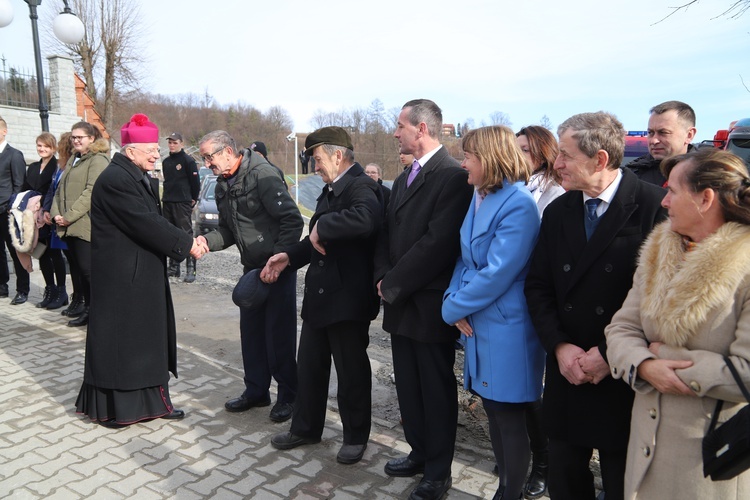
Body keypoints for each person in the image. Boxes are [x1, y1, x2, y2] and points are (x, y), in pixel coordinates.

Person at [524, 112, 667, 500]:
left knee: (624, 484)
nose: (556, 164)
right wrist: (559, 346)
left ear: (600, 159)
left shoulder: (654, 206)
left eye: (566, 155)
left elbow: (661, 301)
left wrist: (608, 355)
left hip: (622, 376)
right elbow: (538, 286)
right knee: (566, 480)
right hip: (567, 369)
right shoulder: (559, 210)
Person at [604, 148, 750, 499]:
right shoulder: (659, 250)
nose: (664, 201)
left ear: (706, 198)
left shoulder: (744, 264)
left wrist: (664, 357)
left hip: (707, 459)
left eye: (672, 191)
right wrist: (644, 364)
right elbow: (621, 328)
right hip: (643, 447)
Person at [375, 99, 473, 500]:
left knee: (434, 389)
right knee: (408, 386)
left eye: (400, 126)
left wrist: (393, 283)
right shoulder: (404, 178)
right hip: (400, 300)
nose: (396, 133)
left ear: (422, 129)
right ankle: (418, 451)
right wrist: (381, 277)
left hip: (429, 303)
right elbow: (386, 233)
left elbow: (438, 244)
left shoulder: (451, 177)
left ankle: (438, 470)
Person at [266, 126, 382, 465]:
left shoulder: (362, 186)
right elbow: (316, 242)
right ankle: (305, 428)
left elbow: (366, 219)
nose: (315, 167)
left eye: (317, 159)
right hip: (321, 296)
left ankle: (355, 437)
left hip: (348, 300)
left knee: (351, 374)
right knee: (311, 368)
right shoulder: (332, 188)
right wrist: (289, 256)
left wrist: (322, 226)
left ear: (337, 155)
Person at [442, 126, 544, 500]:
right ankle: (505, 488)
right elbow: (465, 259)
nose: (463, 162)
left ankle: (510, 493)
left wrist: (452, 306)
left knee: (508, 414)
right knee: (493, 411)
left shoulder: (518, 203)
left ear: (489, 158)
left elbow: (498, 272)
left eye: (468, 155)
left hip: (506, 325)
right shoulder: (479, 194)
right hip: (479, 319)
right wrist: (453, 297)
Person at [75, 113, 198, 428]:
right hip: (123, 277)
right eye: (150, 150)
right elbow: (146, 223)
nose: (157, 154)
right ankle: (118, 410)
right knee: (123, 344)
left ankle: (153, 403)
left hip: (137, 273)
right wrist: (186, 244)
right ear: (130, 152)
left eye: (156, 149)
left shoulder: (132, 173)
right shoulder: (117, 179)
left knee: (145, 341)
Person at [195, 130, 303, 423]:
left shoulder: (262, 175)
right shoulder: (221, 185)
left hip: (277, 268)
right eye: (204, 158)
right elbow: (229, 231)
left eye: (209, 157)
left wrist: (278, 259)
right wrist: (208, 242)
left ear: (228, 152)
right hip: (252, 272)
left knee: (278, 337)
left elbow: (292, 220)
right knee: (251, 335)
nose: (206, 163)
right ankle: (256, 391)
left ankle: (288, 397)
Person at [515, 124, 564, 499]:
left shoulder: (553, 194)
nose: (520, 156)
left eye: (527, 150)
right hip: (515, 303)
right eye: (517, 149)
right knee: (517, 386)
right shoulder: (518, 186)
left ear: (544, 154)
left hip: (540, 302)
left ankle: (543, 464)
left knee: (536, 391)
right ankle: (519, 453)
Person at [51, 122, 109, 327]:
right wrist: (56, 213)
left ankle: (100, 314)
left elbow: (91, 192)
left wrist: (68, 216)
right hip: (68, 224)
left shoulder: (98, 160)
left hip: (85, 225)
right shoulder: (74, 159)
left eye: (80, 137)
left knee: (88, 271)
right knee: (79, 269)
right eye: (74, 137)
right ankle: (87, 309)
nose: (75, 140)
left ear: (91, 138)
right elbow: (60, 190)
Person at [22, 133, 59, 308]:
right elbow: (25, 189)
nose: (42, 149)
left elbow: (55, 191)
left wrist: (44, 206)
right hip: (33, 218)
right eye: (39, 146)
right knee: (40, 253)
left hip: (48, 215)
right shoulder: (33, 167)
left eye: (46, 146)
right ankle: (49, 289)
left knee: (54, 254)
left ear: (53, 147)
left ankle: (60, 292)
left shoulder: (57, 166)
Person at [627, 100, 697, 187]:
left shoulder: (707, 175)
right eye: (650, 133)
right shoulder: (632, 177)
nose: (654, 141)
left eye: (663, 132)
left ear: (689, 135)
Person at [42, 132, 75, 311]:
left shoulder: (73, 166)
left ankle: (74, 296)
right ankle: (61, 293)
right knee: (54, 253)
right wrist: (47, 210)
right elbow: (52, 191)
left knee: (72, 258)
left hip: (67, 219)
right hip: (55, 218)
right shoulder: (59, 167)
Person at [162, 132, 200, 282]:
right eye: (170, 142)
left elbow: (195, 183)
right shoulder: (166, 162)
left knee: (186, 234)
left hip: (182, 201)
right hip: (168, 201)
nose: (172, 145)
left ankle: (191, 269)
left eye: (175, 142)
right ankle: (173, 267)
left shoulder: (188, 161)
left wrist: (193, 199)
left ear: (181, 144)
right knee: (170, 234)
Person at [0, 117, 29, 304]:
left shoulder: (14, 154)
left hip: (7, 211)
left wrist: (12, 208)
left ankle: (23, 289)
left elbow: (19, 184)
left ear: (4, 131)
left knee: (15, 250)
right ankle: (2, 285)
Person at [517, 125, 565, 218]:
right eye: (514, 150)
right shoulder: (504, 189)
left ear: (543, 157)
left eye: (525, 150)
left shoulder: (556, 195)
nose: (516, 155)